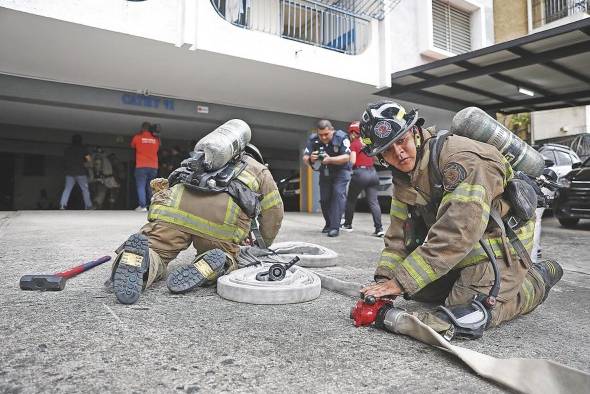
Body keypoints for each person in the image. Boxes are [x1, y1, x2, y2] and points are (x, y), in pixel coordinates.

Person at [359, 101, 563, 339]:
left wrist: (401, 282)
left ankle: (535, 280)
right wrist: (384, 283)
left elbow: (457, 231)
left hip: (499, 245)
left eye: (401, 141)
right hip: (460, 248)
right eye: (387, 150)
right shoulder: (404, 177)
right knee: (417, 292)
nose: (399, 153)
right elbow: (397, 239)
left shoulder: (463, 159)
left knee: (463, 314)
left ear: (414, 132)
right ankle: (474, 281)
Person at [109, 122, 284, 305]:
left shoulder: (203, 156)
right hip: (219, 225)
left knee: (157, 249)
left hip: (173, 212)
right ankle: (210, 266)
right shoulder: (260, 170)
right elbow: (274, 213)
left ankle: (140, 261)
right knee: (225, 256)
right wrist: (263, 243)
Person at [302, 120, 352, 237]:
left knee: (337, 195)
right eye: (321, 135)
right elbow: (305, 157)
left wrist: (330, 159)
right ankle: (329, 224)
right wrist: (311, 159)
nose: (323, 137)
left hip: (341, 172)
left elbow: (346, 157)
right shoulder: (313, 139)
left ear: (332, 130)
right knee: (324, 199)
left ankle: (335, 227)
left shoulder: (342, 137)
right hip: (325, 172)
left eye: (326, 134)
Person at [342, 121, 384, 237]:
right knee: (374, 202)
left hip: (360, 173)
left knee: (351, 199)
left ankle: (347, 224)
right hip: (373, 173)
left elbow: (353, 161)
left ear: (353, 133)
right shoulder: (368, 141)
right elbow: (374, 155)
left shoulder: (354, 144)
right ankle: (379, 229)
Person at [131, 122, 160, 212]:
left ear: (142, 128)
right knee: (150, 186)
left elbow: (132, 145)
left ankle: (143, 206)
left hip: (141, 166)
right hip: (153, 166)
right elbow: (158, 148)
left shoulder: (137, 137)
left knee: (141, 186)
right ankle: (153, 206)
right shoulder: (156, 139)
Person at [59, 134, 93, 210]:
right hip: (81, 173)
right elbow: (89, 161)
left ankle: (62, 205)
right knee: (85, 190)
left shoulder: (67, 149)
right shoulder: (84, 149)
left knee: (67, 189)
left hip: (70, 173)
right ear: (81, 141)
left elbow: (64, 161)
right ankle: (88, 206)